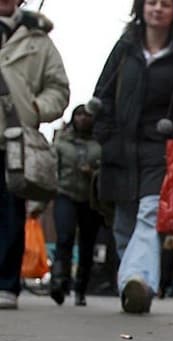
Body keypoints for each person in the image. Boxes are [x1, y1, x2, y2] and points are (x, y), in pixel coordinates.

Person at [92, 0, 173, 314]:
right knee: (124, 223)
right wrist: (103, 132)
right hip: (120, 145)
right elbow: (102, 93)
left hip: (159, 146)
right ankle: (132, 283)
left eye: (165, 4)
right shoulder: (125, 47)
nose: (157, 9)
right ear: (141, 8)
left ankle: (138, 280)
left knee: (150, 213)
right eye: (151, 2)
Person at [0, 1, 70, 310]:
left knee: (10, 212)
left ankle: (5, 284)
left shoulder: (39, 40)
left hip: (14, 139)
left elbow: (59, 89)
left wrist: (36, 108)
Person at [49, 105, 102, 307]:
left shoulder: (99, 144)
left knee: (87, 244)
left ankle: (81, 289)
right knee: (64, 237)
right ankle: (59, 282)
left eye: (87, 115)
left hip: (90, 200)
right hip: (65, 194)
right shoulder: (62, 142)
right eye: (79, 115)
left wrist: (93, 173)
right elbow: (52, 169)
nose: (83, 119)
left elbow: (105, 171)